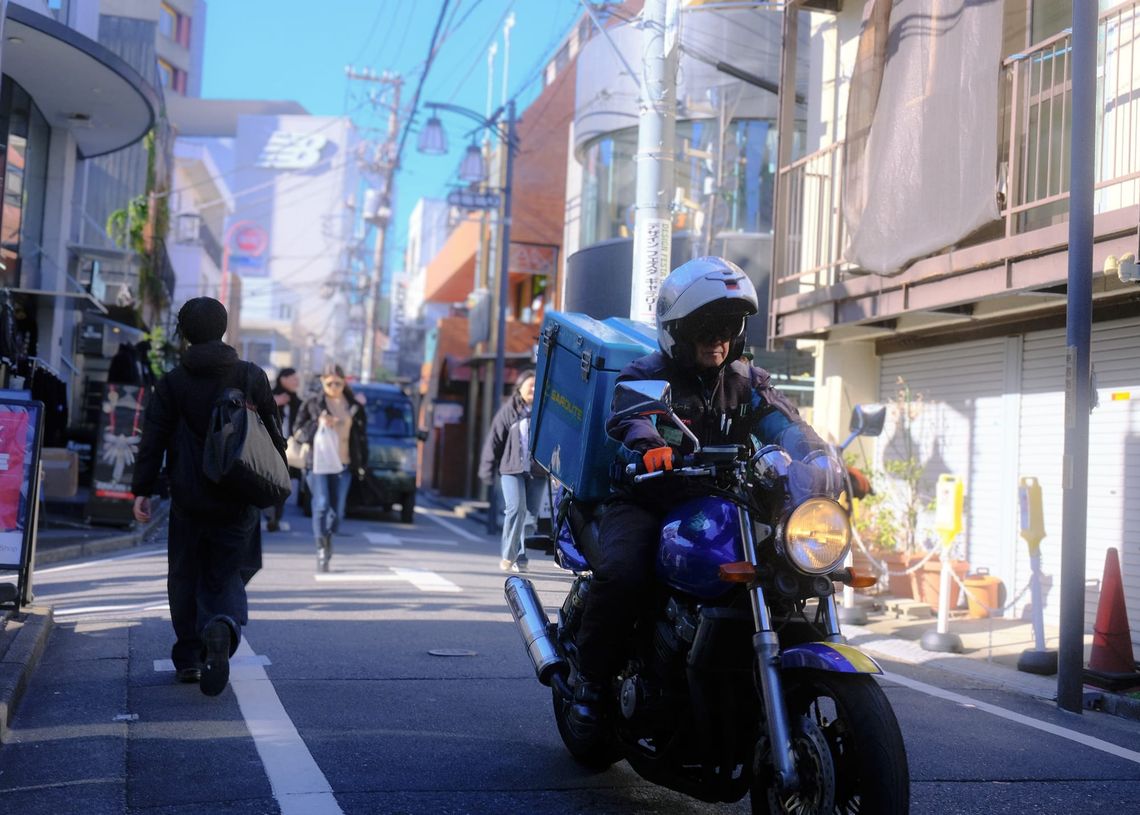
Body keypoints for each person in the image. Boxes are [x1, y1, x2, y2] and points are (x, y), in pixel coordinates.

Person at [569, 257, 826, 729]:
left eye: (728, 325)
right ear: (678, 330)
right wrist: (649, 447)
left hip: (725, 500)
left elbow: (784, 422)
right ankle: (590, 678)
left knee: (787, 567)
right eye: (706, 326)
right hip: (653, 497)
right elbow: (629, 413)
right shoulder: (650, 372)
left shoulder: (746, 380)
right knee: (623, 573)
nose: (718, 337)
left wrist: (818, 458)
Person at [131, 297, 286, 697]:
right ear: (223, 328)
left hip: (188, 498)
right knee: (227, 571)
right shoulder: (250, 375)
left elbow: (153, 439)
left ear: (184, 333)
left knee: (184, 575)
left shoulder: (172, 382)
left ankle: (188, 658)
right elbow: (274, 434)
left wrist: (143, 489)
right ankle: (221, 625)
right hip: (239, 493)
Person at [293, 363, 367, 572]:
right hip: (318, 463)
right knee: (321, 505)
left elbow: (362, 437)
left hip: (343, 464)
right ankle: (320, 550)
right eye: (329, 383)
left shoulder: (353, 406)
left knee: (338, 512)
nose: (334, 386)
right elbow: (298, 430)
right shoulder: (313, 403)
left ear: (344, 383)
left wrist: (362, 463)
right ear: (322, 382)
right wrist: (319, 422)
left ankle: (327, 538)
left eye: (338, 383)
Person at [478, 370, 548, 572]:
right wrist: (487, 469)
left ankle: (521, 556)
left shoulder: (544, 410)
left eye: (536, 385)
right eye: (530, 386)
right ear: (519, 388)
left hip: (537, 470)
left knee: (530, 515)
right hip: (511, 468)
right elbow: (494, 440)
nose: (534, 389)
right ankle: (509, 555)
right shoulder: (509, 411)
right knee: (516, 508)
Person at [268, 367, 302, 532]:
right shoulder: (269, 395)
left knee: (283, 484)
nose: (297, 382)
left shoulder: (298, 401)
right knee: (268, 481)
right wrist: (274, 402)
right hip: (269, 446)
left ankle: (276, 516)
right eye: (294, 378)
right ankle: (270, 512)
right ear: (283, 379)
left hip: (288, 450)